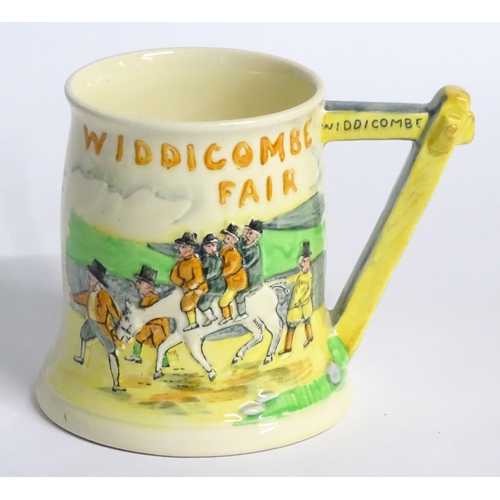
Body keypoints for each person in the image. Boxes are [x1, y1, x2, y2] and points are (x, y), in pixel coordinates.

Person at [72, 259, 125, 392]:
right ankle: (82, 357)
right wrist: (74, 297)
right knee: (83, 335)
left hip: (101, 326)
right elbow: (84, 298)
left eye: (92, 276)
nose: (89, 277)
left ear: (98, 280)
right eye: (90, 275)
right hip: (91, 322)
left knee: (111, 352)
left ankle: (116, 383)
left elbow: (114, 310)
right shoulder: (91, 292)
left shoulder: (103, 295)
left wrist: (120, 321)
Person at [124, 265, 170, 368]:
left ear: (149, 287)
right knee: (139, 337)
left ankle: (164, 362)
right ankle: (136, 356)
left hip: (157, 327)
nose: (137, 284)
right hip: (149, 326)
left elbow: (157, 315)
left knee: (159, 344)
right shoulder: (145, 300)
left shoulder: (154, 299)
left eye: (140, 282)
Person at [280, 242, 314, 355]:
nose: (304, 264)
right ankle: (309, 337)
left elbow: (303, 294)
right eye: (303, 261)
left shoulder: (307, 277)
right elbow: (295, 278)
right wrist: (286, 281)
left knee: (292, 327)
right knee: (305, 322)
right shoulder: (303, 274)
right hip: (302, 307)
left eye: (306, 261)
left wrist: (295, 304)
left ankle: (288, 348)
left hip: (299, 307)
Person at [170, 232, 207, 331]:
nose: (179, 249)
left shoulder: (195, 262)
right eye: (180, 246)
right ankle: (192, 323)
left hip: (199, 287)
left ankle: (201, 320)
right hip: (187, 288)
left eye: (182, 247)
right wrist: (182, 284)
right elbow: (173, 276)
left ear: (190, 249)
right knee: (185, 304)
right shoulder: (179, 263)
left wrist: (188, 286)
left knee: (188, 305)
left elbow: (198, 279)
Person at [218, 223, 248, 325]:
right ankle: (229, 315)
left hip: (237, 282)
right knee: (224, 299)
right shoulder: (224, 250)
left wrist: (220, 272)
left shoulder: (235, 255)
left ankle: (227, 317)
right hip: (230, 281)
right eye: (225, 238)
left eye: (228, 238)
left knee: (223, 302)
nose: (225, 240)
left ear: (234, 240)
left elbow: (231, 269)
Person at [235, 219, 263, 320]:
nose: (247, 235)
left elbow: (246, 264)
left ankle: (242, 314)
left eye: (250, 233)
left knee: (239, 296)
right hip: (243, 279)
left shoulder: (255, 250)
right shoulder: (243, 242)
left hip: (253, 282)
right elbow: (234, 245)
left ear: (256, 236)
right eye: (247, 232)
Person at [198, 233, 226, 326]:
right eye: (208, 246)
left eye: (213, 245)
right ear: (204, 247)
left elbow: (215, 272)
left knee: (202, 303)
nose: (211, 248)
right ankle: (211, 316)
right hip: (210, 285)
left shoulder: (217, 259)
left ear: (217, 246)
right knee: (200, 300)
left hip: (217, 286)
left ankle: (212, 317)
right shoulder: (206, 258)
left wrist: (204, 278)